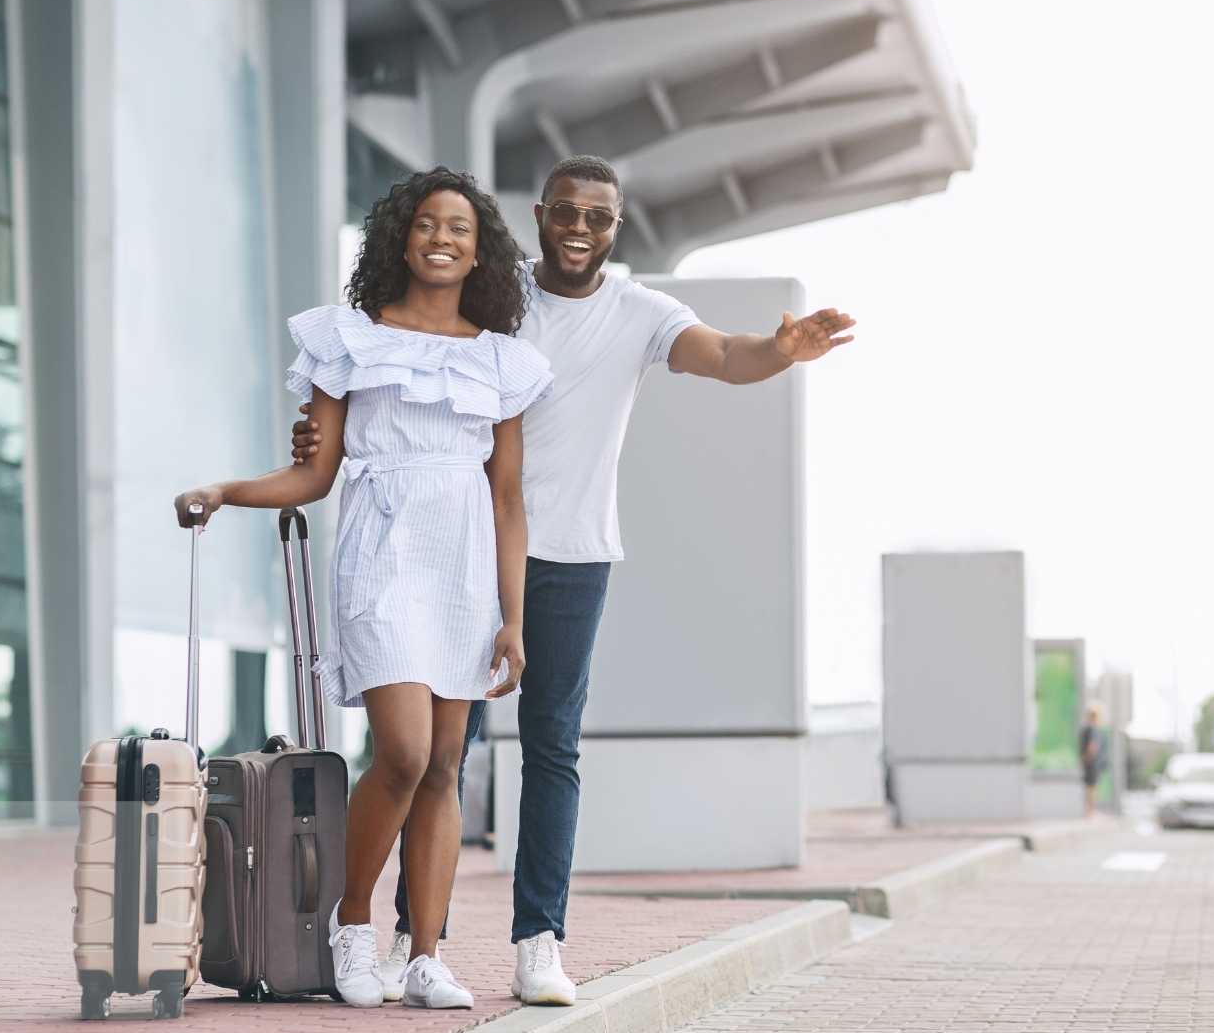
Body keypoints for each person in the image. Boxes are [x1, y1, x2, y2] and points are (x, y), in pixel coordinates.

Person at [289, 154, 855, 1007]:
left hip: (574, 557)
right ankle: (412, 936)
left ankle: (537, 941)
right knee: (441, 754)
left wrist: (781, 350)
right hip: (462, 549)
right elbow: (401, 354)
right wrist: (319, 434)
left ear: (615, 228)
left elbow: (726, 356)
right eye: (566, 212)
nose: (581, 230)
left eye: (599, 217)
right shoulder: (492, 297)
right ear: (541, 214)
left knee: (552, 748)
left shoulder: (641, 312)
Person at [175, 167, 552, 1009]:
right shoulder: (350, 340)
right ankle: (350, 924)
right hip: (383, 550)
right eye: (426, 224)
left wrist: (513, 619)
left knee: (447, 764)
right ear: (399, 237)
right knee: (405, 753)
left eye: (460, 228)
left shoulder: (504, 362)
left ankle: (423, 956)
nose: (442, 239)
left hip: (464, 560)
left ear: (481, 248)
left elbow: (509, 497)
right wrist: (225, 491)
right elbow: (314, 473)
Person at [1080, 704, 1108, 816]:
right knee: (1091, 787)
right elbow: (1092, 747)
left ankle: (1089, 810)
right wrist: (1089, 757)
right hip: (1092, 763)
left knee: (1090, 787)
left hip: (1090, 763)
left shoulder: (1088, 729)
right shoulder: (1092, 729)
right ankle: (1090, 811)